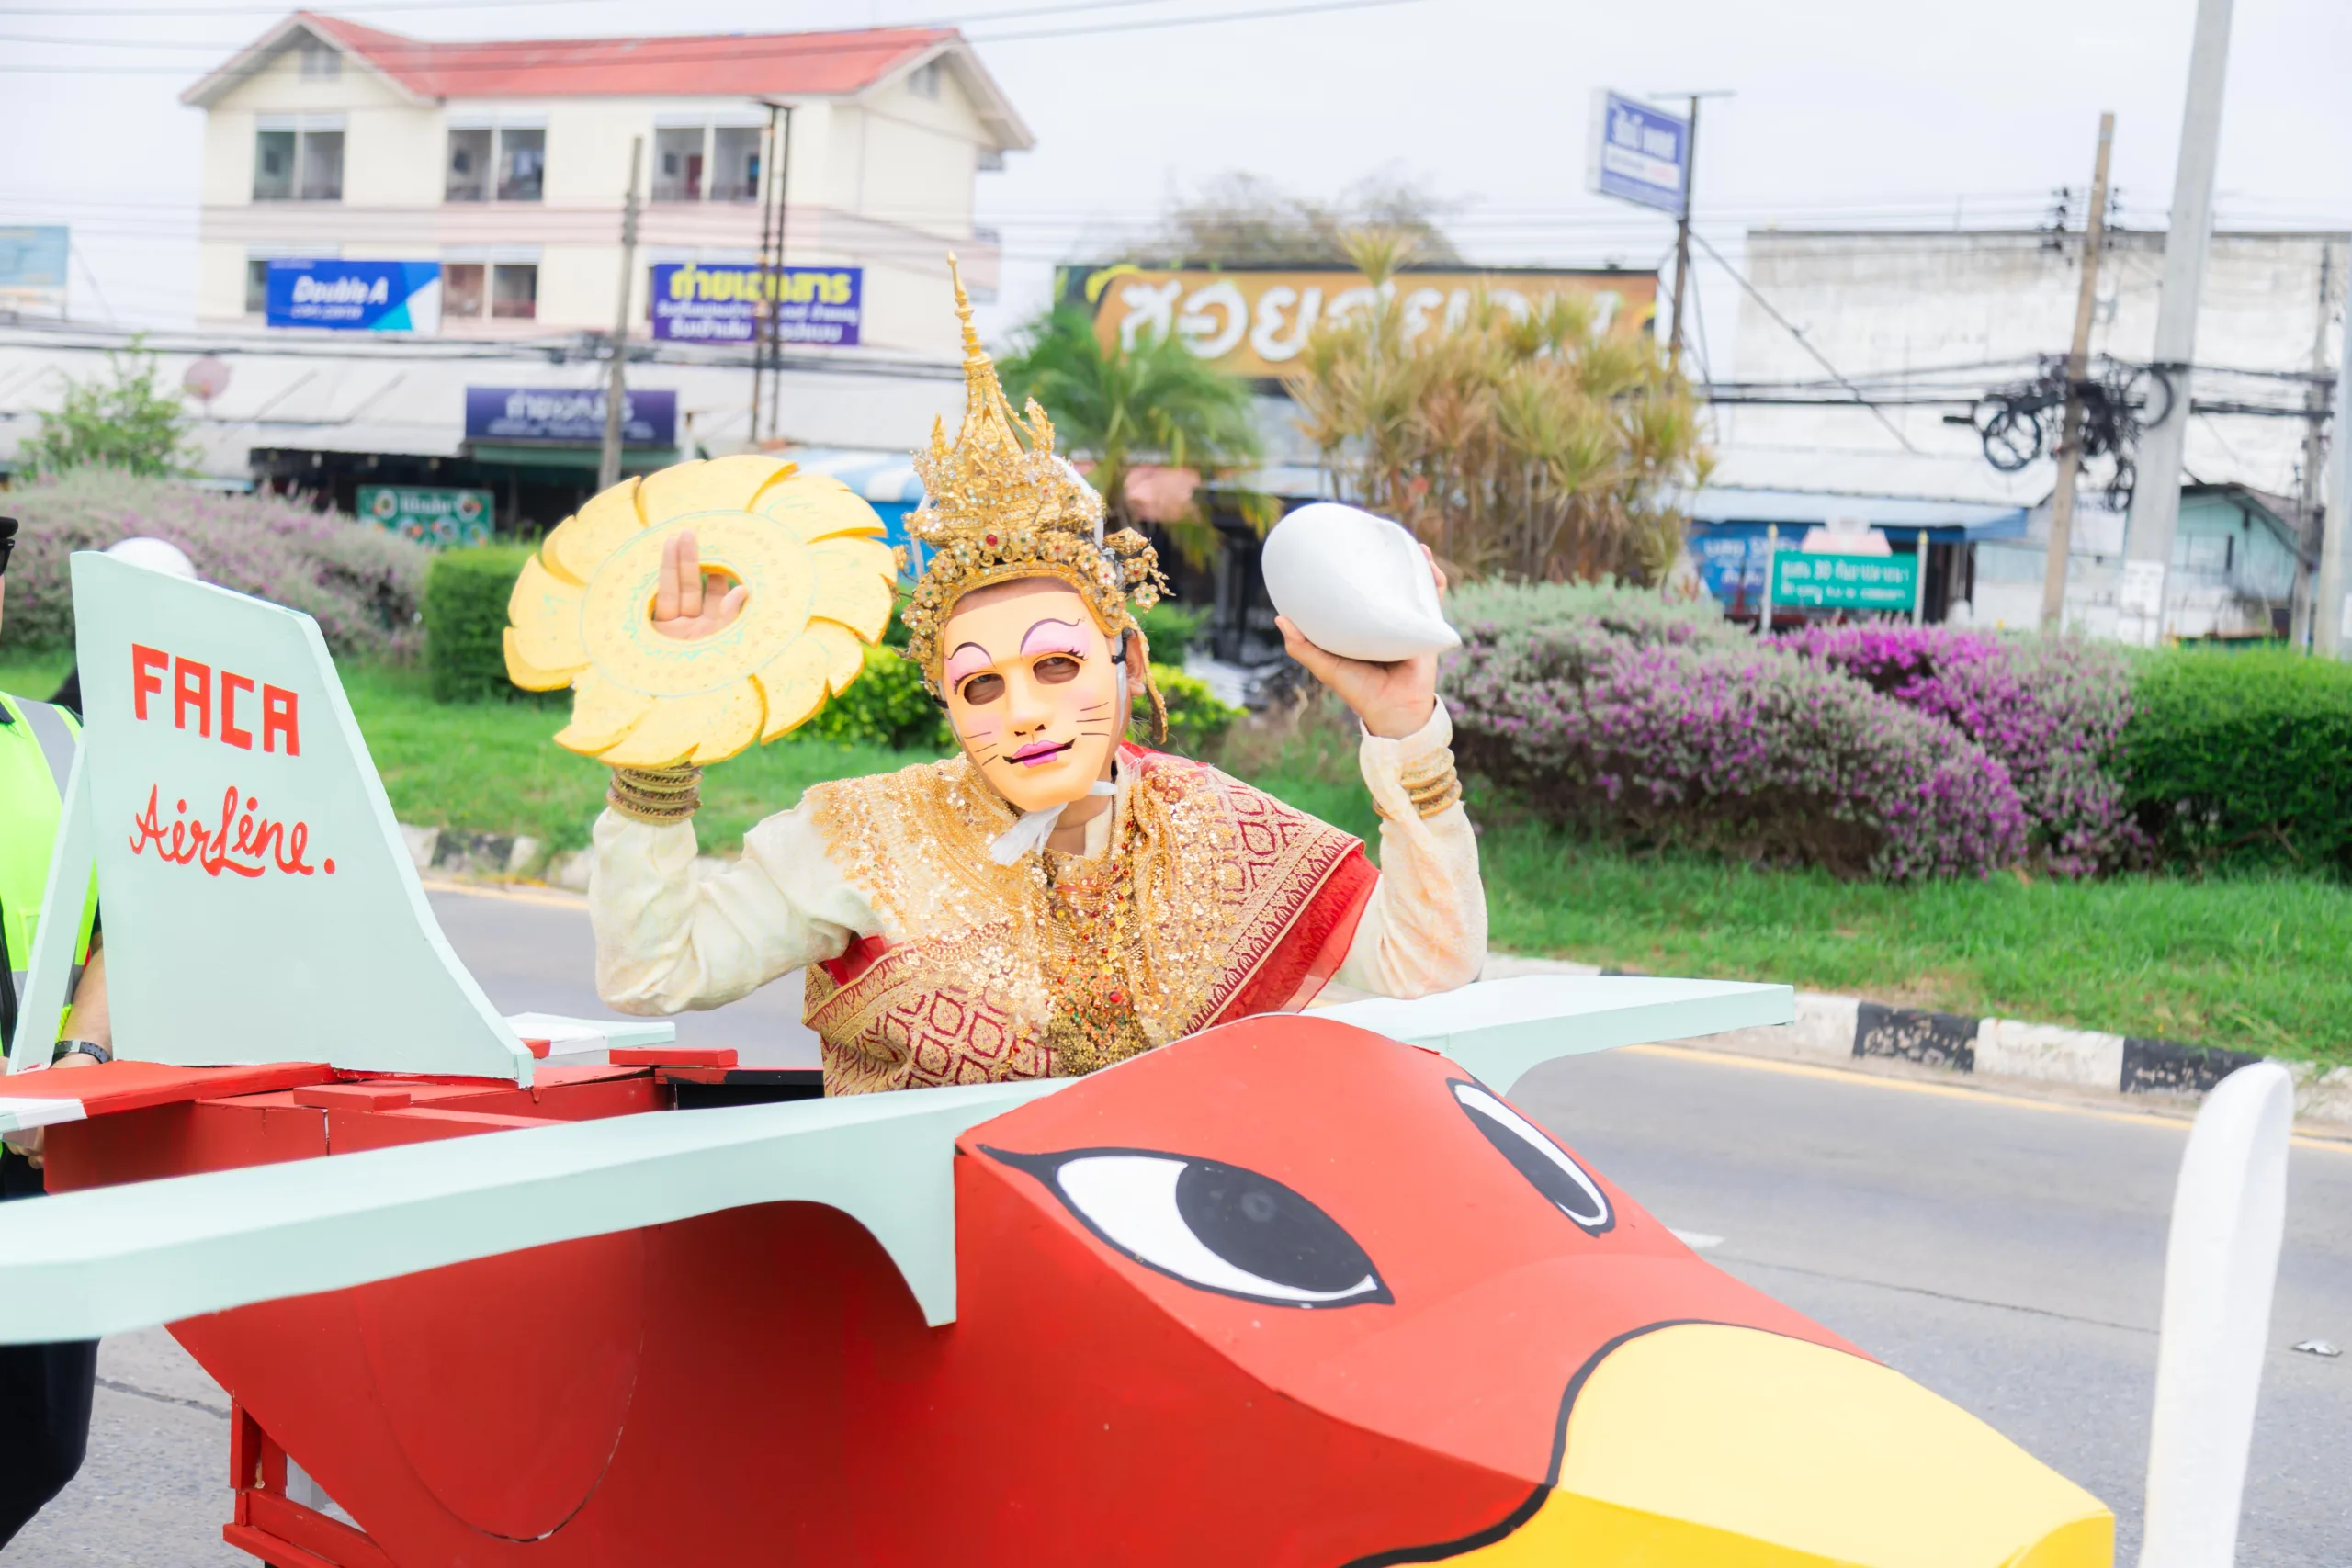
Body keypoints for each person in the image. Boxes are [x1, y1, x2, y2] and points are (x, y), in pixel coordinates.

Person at [590, 270, 1485, 1093]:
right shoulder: (860, 838)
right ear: (946, 700)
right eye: (981, 685)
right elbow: (651, 974)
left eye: (1056, 665)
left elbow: (1428, 970)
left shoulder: (1216, 831)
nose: (1022, 713)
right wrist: (657, 747)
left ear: (1127, 659)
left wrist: (1407, 732)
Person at [0, 514, 113, 1548]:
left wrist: (82, 1060)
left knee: (39, 1439)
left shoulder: (61, 741)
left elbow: (122, 926)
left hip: (42, 1158)